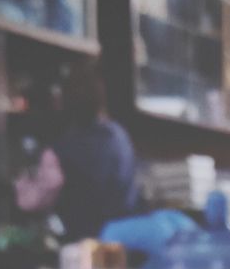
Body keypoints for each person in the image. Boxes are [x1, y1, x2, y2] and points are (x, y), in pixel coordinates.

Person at [16, 68, 138, 241]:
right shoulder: (120, 136)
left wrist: (20, 183)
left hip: (85, 246)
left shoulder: (61, 150)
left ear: (64, 104)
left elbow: (31, 202)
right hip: (125, 240)